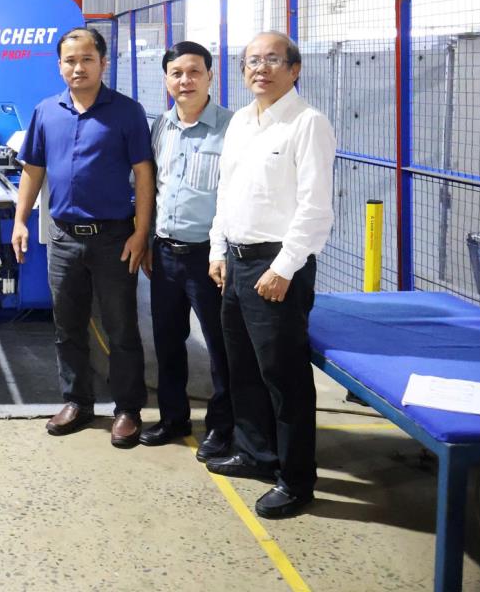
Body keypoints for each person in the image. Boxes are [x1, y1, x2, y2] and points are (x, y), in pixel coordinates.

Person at [206, 31, 336, 519]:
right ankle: (256, 454)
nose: (260, 68)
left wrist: (283, 268)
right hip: (236, 262)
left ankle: (296, 480)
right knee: (243, 367)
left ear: (294, 69)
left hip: (277, 266)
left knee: (284, 378)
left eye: (273, 60)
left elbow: (314, 209)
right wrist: (219, 250)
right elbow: (226, 193)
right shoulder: (242, 121)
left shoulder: (307, 124)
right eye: (252, 61)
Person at [12, 26, 155, 448]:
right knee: (67, 326)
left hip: (114, 238)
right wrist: (20, 221)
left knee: (121, 327)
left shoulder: (127, 112)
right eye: (70, 61)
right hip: (63, 238)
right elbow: (32, 170)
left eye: (87, 59)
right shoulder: (46, 111)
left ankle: (128, 409)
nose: (79, 68)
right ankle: (77, 401)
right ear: (60, 66)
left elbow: (144, 175)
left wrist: (141, 232)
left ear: (103, 63)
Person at [140, 41, 234, 461]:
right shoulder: (160, 126)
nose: (185, 80)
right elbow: (152, 190)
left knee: (220, 346)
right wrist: (147, 241)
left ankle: (223, 427)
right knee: (167, 342)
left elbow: (236, 198)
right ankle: (173, 418)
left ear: (210, 76)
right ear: (166, 80)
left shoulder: (232, 128)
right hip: (164, 254)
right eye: (176, 73)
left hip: (209, 258)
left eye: (194, 71)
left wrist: (222, 253)